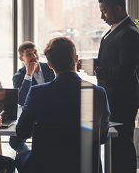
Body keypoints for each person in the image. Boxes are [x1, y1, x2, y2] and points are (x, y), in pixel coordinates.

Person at [15, 37, 110, 173]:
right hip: (85, 167)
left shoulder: (37, 93)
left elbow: (22, 132)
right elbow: (102, 137)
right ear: (76, 59)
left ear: (49, 64)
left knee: (22, 156)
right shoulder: (98, 93)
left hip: (46, 166)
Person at [79, 0, 139, 173]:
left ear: (118, 8)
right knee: (116, 148)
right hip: (113, 99)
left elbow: (126, 70)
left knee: (122, 148)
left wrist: (97, 70)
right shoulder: (117, 29)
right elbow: (111, 59)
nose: (101, 16)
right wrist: (88, 63)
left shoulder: (129, 33)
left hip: (122, 101)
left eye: (104, 11)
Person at [10, 41, 55, 153]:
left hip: (52, 114)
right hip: (33, 116)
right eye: (29, 54)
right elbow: (21, 100)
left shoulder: (50, 68)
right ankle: (31, 158)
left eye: (35, 53)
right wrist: (28, 75)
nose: (34, 56)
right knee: (15, 141)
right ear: (21, 58)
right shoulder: (18, 76)